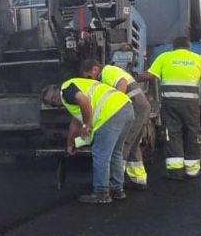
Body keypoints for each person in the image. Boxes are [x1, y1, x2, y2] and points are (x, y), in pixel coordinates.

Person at [42, 60, 135, 204]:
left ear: (54, 96)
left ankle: (101, 193)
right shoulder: (75, 87)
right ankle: (117, 190)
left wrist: (87, 125)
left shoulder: (66, 90)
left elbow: (84, 102)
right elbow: (75, 122)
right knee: (116, 152)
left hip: (111, 113)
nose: (55, 106)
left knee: (101, 154)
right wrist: (70, 144)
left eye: (53, 103)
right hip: (126, 108)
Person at [138, 36, 201, 180]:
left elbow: (149, 76)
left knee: (172, 133)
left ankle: (176, 171)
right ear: (189, 46)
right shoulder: (199, 60)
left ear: (174, 47)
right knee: (193, 133)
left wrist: (130, 77)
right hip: (191, 104)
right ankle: (192, 170)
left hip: (170, 103)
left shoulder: (164, 57)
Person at [87, 59, 151, 190]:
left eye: (89, 76)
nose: (90, 80)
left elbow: (122, 83)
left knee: (122, 144)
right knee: (132, 143)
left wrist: (116, 105)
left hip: (136, 107)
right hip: (139, 106)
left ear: (94, 69)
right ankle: (138, 179)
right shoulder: (107, 72)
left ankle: (115, 182)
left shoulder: (107, 71)